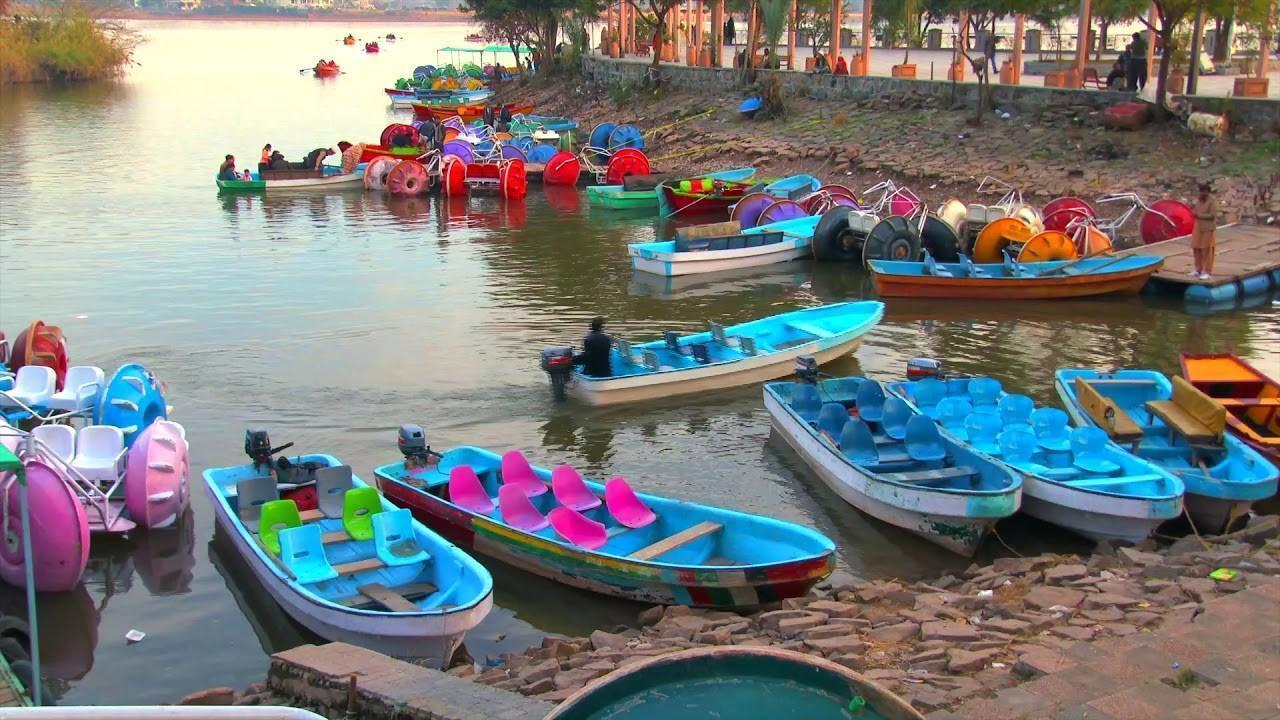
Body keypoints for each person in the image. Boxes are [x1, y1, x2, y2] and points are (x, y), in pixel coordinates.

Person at [1190, 182, 1218, 280]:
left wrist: (1199, 215)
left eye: (1204, 191)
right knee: (1196, 248)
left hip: (1208, 228)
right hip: (1198, 227)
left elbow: (1212, 215)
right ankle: (1198, 269)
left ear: (1208, 192)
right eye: (1201, 191)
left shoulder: (1212, 201)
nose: (1202, 193)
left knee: (1207, 250)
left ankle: (1208, 271)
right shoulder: (1198, 201)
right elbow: (1196, 211)